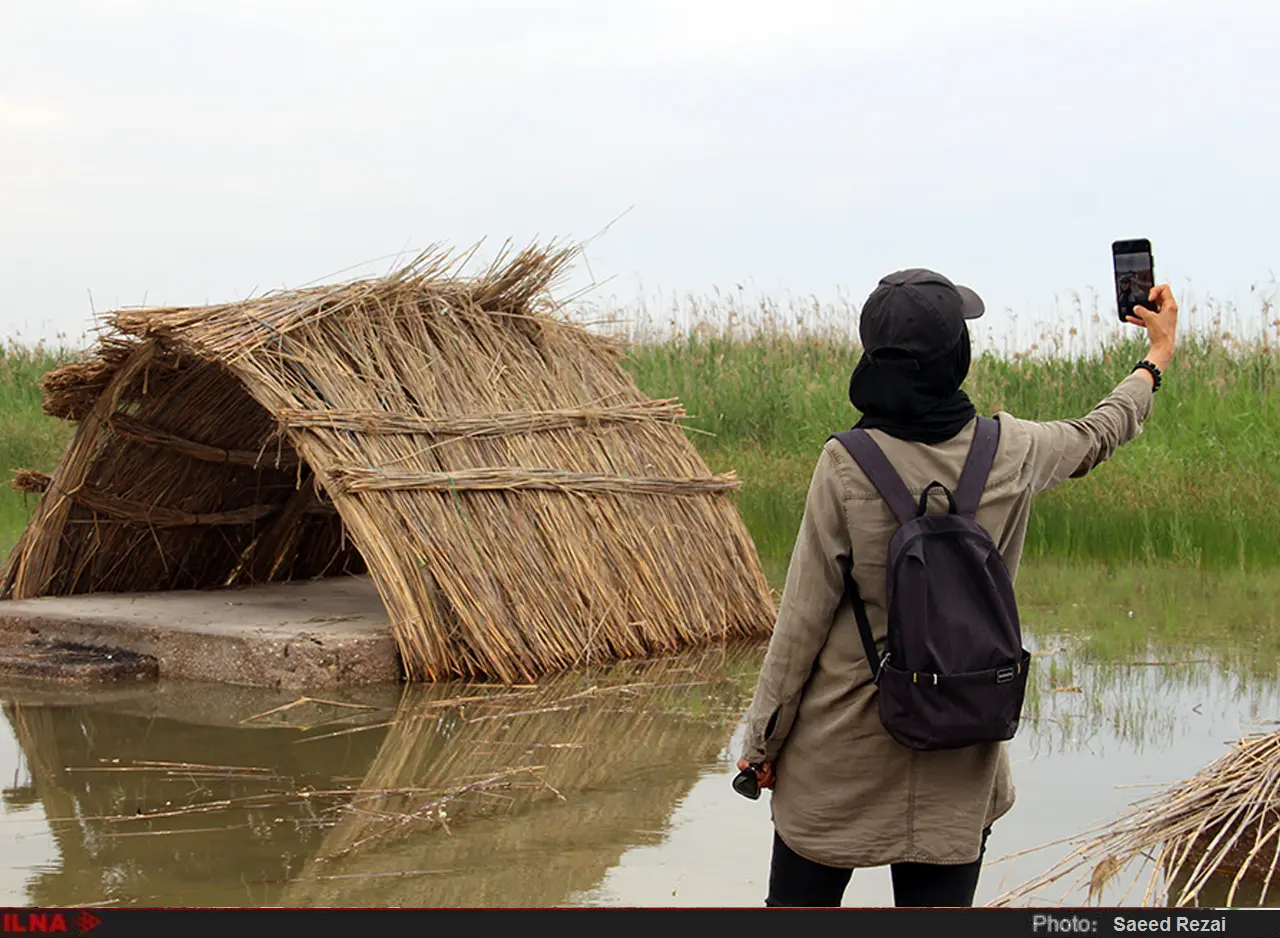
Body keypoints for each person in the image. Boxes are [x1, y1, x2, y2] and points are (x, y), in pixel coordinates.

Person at [736, 268, 1178, 908]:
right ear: (955, 359)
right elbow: (1098, 431)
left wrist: (760, 748)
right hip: (960, 756)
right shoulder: (1015, 449)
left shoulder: (844, 464)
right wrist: (1155, 357)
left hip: (840, 762)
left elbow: (799, 627)